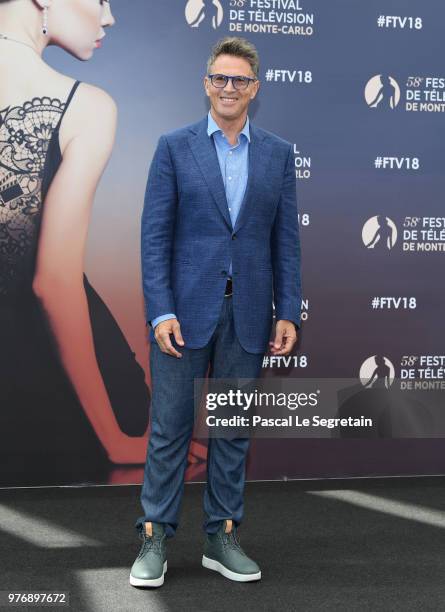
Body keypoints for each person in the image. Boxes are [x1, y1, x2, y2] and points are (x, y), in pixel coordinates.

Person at [131, 36, 302, 587]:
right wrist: (160, 312)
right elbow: (154, 236)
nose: (229, 88)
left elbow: (286, 242)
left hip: (250, 314)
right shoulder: (174, 147)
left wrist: (288, 311)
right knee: (170, 429)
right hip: (182, 316)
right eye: (220, 78)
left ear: (255, 88)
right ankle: (154, 539)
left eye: (240, 80)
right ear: (207, 84)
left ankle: (220, 536)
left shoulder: (277, 153)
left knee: (231, 430)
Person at [0, 0, 149, 487]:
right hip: (33, 380)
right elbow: (53, 282)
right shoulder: (83, 105)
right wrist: (112, 438)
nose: (109, 17)